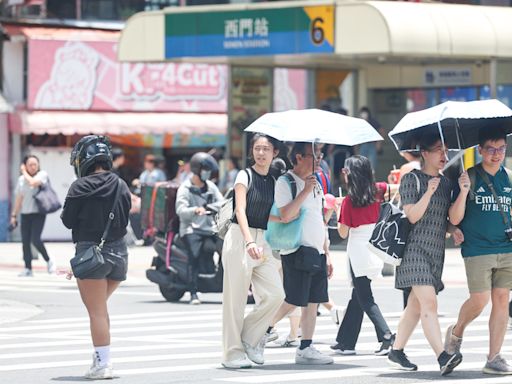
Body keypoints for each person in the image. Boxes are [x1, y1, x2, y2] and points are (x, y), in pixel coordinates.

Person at [387, 134, 463, 375]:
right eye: (439, 150)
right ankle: (442, 356)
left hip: (435, 252)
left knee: (415, 307)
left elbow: (445, 219)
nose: (444, 155)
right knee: (429, 302)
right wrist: (429, 192)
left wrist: (454, 228)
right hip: (413, 251)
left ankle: (396, 350)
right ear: (425, 153)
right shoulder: (412, 179)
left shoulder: (447, 183)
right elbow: (412, 215)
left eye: (446, 150)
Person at [61, 135, 131, 380]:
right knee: (100, 309)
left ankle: (103, 364)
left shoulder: (79, 186)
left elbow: (68, 221)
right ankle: (101, 358)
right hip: (119, 256)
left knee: (97, 313)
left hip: (91, 255)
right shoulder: (120, 184)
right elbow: (125, 220)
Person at [446, 127, 512, 375]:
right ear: (481, 151)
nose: (496, 154)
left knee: (502, 299)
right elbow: (453, 217)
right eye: (491, 149)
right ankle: (456, 332)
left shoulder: (509, 178)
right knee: (480, 299)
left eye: (501, 148)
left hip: (506, 247)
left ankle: (494, 357)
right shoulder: (469, 177)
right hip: (477, 248)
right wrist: (462, 191)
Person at [263, 142, 334, 365]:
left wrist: (327, 252)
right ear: (298, 158)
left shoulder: (318, 184)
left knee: (313, 301)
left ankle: (306, 347)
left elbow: (319, 220)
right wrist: (304, 191)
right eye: (314, 155)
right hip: (296, 249)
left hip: (316, 249)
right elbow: (285, 214)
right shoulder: (286, 182)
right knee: (294, 299)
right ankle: (262, 330)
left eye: (320, 154)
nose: (319, 159)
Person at [221, 134, 285, 369]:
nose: (261, 153)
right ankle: (231, 354)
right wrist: (249, 243)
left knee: (276, 294)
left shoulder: (273, 179)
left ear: (275, 153)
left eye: (266, 149)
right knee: (235, 301)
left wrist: (285, 216)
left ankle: (248, 338)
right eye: (257, 148)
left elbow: (264, 211)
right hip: (240, 238)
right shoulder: (244, 175)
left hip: (262, 239)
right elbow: (240, 210)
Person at [331, 155, 395, 356]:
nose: (344, 174)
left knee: (364, 296)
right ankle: (345, 341)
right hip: (375, 245)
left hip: (358, 249)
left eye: (346, 171)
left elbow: (342, 233)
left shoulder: (349, 201)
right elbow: (398, 189)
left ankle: (386, 336)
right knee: (358, 295)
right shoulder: (378, 190)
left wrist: (338, 209)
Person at [175, 152, 224, 305]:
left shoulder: (211, 186)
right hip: (191, 229)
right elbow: (180, 210)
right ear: (197, 169)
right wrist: (195, 210)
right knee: (194, 256)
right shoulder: (185, 188)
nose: (207, 173)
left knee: (227, 248)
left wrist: (210, 207)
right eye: (205, 169)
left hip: (210, 228)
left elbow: (222, 202)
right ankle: (193, 293)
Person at [10, 155, 55, 277]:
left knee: (35, 239)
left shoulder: (42, 175)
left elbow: (33, 182)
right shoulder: (20, 180)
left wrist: (23, 171)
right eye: (30, 164)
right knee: (25, 242)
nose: (33, 166)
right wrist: (14, 215)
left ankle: (49, 261)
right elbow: (19, 199)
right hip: (25, 214)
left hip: (38, 213)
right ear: (25, 165)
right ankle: (28, 268)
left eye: (35, 164)